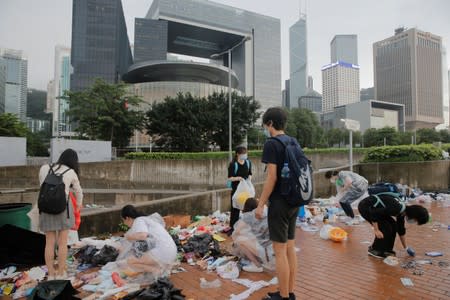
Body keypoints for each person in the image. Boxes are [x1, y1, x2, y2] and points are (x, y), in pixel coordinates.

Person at [255, 107, 297, 300]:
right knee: (289, 248)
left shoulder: (272, 143)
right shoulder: (293, 141)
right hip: (294, 201)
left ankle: (283, 296)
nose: (265, 128)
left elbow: (271, 178)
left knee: (279, 252)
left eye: (265, 124)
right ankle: (290, 292)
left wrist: (261, 203)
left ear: (270, 123)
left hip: (279, 203)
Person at [39, 148, 83, 280]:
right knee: (62, 243)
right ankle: (61, 273)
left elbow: (41, 185)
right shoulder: (71, 172)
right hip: (63, 209)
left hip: (45, 207)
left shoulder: (44, 167)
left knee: (49, 242)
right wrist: (79, 206)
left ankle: (51, 273)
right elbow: (79, 192)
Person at [358, 193, 429, 258]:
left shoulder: (402, 212)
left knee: (394, 226)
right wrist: (376, 230)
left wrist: (406, 248)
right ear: (414, 215)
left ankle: (387, 250)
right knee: (385, 227)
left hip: (376, 210)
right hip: (366, 207)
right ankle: (374, 250)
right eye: (416, 220)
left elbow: (401, 230)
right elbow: (374, 213)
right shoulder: (396, 208)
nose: (414, 222)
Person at [120, 205, 177, 274]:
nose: (124, 223)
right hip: (172, 251)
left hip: (163, 252)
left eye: (123, 220)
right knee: (140, 257)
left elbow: (142, 235)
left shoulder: (138, 220)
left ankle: (157, 271)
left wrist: (129, 237)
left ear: (127, 218)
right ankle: (160, 267)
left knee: (129, 262)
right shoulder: (146, 219)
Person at [232, 198, 274, 273]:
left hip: (267, 252)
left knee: (239, 240)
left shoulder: (249, 216)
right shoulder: (264, 212)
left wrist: (234, 239)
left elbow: (236, 231)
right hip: (274, 249)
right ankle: (260, 261)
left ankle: (257, 265)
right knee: (248, 238)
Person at [227, 146, 252, 234]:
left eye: (245, 153)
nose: (244, 155)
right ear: (237, 154)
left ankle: (248, 226)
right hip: (236, 190)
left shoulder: (248, 162)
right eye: (242, 154)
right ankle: (233, 228)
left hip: (245, 190)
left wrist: (249, 179)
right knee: (235, 209)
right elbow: (230, 178)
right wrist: (239, 178)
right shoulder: (233, 164)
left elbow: (250, 174)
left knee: (248, 208)